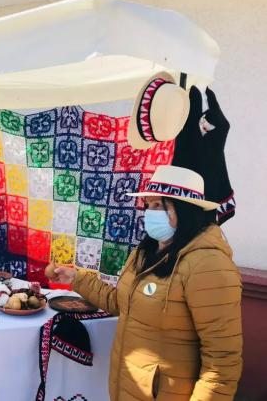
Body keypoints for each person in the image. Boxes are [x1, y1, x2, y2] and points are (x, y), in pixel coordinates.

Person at [46, 165, 242, 401]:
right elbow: (121, 302)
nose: (150, 213)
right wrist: (76, 279)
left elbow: (221, 362)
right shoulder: (147, 252)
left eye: (158, 205)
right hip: (128, 388)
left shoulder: (208, 265)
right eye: (148, 206)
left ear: (186, 210)